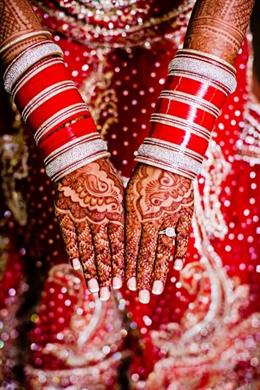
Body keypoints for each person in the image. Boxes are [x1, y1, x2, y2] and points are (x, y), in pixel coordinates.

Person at [0, 0, 259, 388]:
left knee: (189, 242)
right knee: (69, 251)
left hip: (197, 45)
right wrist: (66, 144)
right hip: (44, 50)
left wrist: (179, 142)